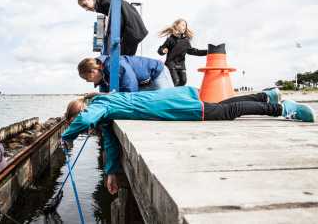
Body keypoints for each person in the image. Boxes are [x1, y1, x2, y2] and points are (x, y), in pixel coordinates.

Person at [61, 87, 315, 194]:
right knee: (217, 107)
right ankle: (265, 96)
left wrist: (67, 135)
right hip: (173, 99)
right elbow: (110, 143)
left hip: (175, 108)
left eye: (79, 122)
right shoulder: (106, 104)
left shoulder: (98, 105)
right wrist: (112, 173)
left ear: (81, 109)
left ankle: (281, 109)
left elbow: (84, 120)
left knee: (227, 113)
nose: (86, 129)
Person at [78, 0, 148, 56]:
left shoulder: (105, 2)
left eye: (85, 5)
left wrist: (110, 40)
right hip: (133, 29)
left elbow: (116, 21)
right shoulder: (104, 1)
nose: (86, 9)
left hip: (132, 29)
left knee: (122, 59)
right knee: (124, 59)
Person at [77, 55, 174, 92]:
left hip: (156, 73)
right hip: (145, 82)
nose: (86, 81)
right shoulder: (104, 77)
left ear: (93, 71)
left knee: (168, 101)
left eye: (86, 78)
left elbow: (130, 84)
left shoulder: (113, 65)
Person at [157, 18, 207, 86]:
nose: (185, 27)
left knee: (183, 81)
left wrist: (208, 52)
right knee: (176, 81)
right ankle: (171, 93)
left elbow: (192, 51)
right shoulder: (170, 39)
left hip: (181, 65)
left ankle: (178, 94)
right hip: (171, 64)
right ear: (177, 26)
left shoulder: (186, 41)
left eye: (185, 25)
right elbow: (161, 49)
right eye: (183, 25)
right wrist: (163, 50)